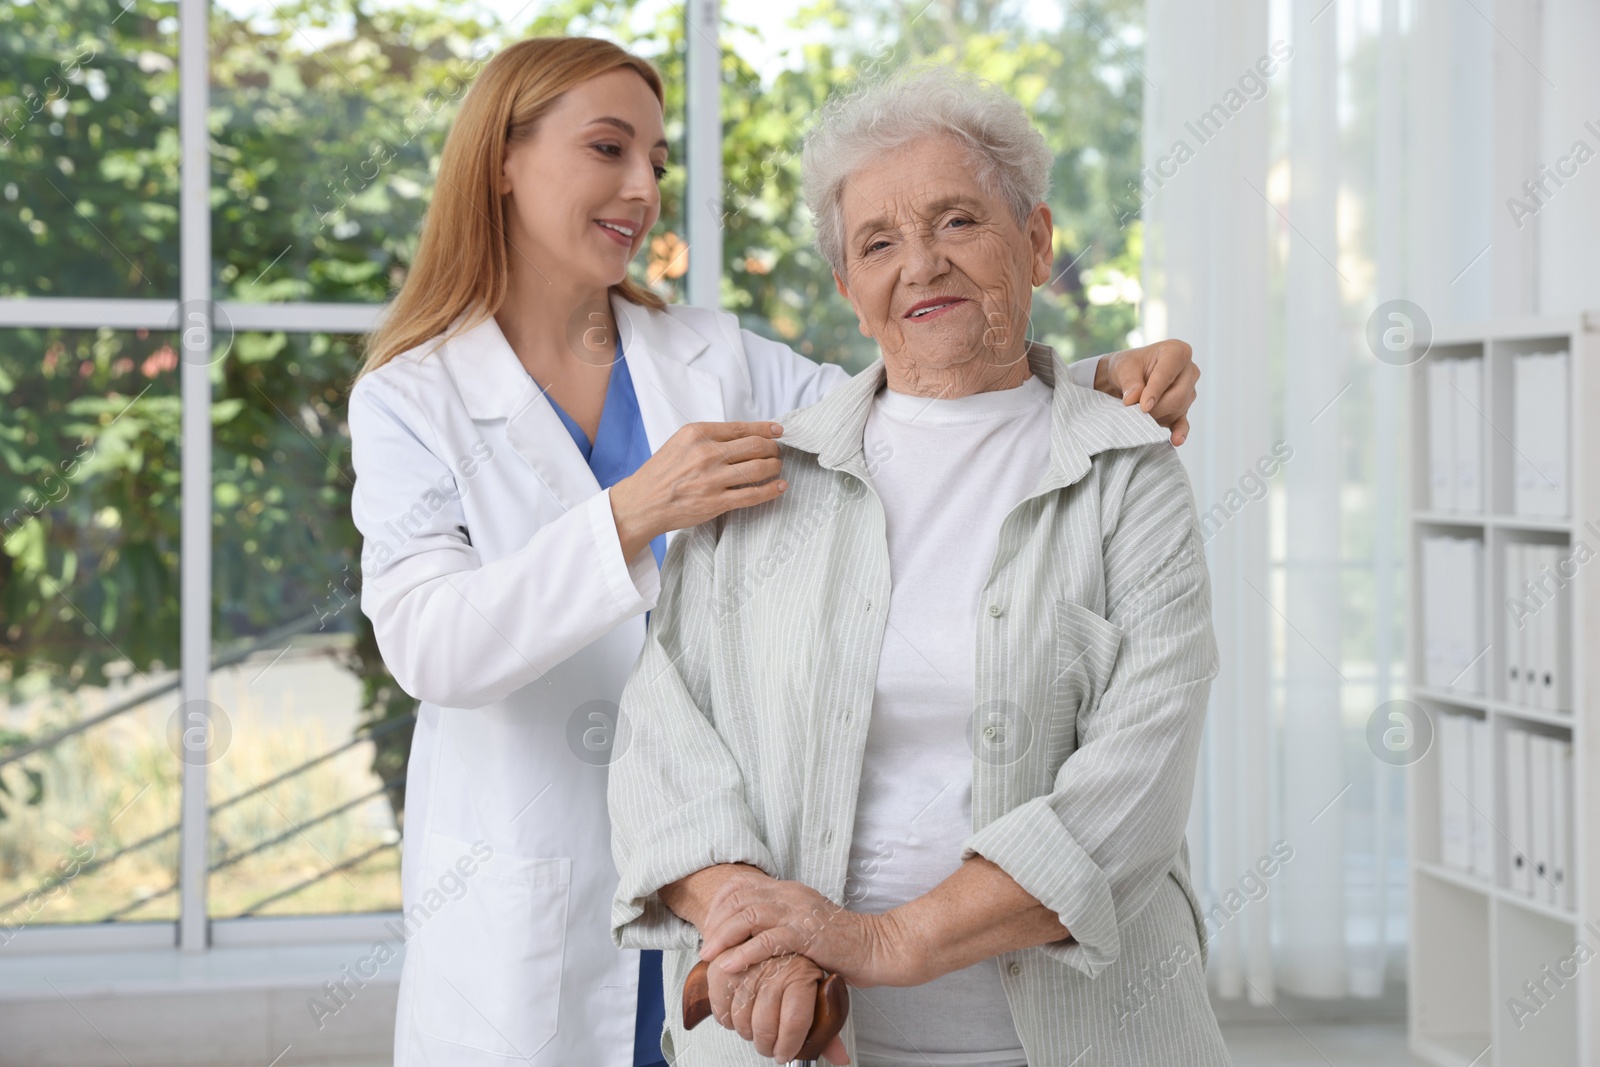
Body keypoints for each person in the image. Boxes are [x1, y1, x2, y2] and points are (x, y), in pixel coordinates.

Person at [349, 36, 1202, 1067]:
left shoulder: (718, 362)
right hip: (549, 861)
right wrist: (626, 514)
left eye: (655, 162)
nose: (640, 188)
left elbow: (923, 379)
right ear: (502, 160)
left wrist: (1106, 377)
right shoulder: (409, 396)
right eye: (608, 149)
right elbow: (432, 647)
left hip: (753, 867)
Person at [608, 67, 1228, 1066]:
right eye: (879, 242)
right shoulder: (768, 477)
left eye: (957, 221)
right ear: (850, 290)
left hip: (1080, 1037)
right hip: (796, 1039)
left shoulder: (1125, 472)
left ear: (1034, 242)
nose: (922, 264)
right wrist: (760, 935)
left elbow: (1128, 794)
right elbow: (662, 741)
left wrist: (873, 940)